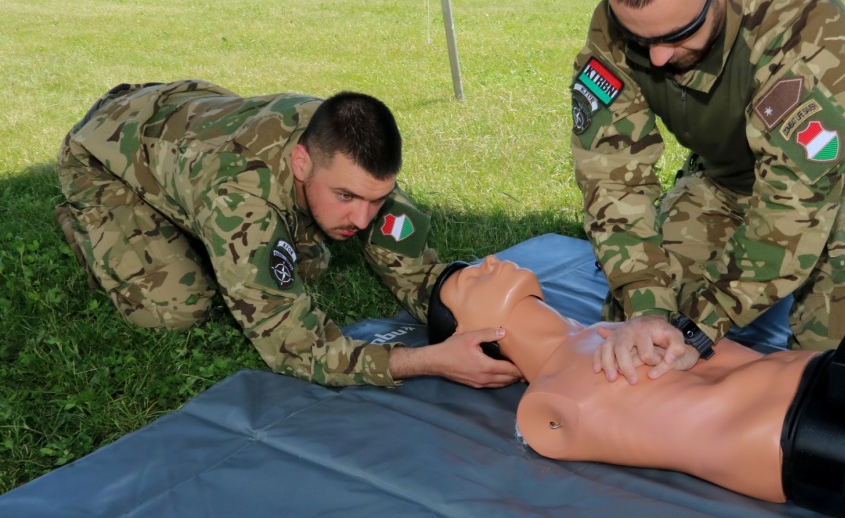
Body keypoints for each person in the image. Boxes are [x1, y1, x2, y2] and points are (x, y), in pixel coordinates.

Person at [570, 0, 845, 384]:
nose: (660, 58)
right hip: (721, 179)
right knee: (640, 334)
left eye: (679, 34)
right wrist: (647, 302)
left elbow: (794, 205)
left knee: (838, 368)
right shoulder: (612, 28)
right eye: (641, 40)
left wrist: (702, 326)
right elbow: (612, 178)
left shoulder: (803, 22)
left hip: (827, 188)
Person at [54, 79, 522, 389]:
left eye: (376, 200)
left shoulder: (344, 147)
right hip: (107, 153)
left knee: (310, 262)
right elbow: (295, 348)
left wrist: (472, 313)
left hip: (188, 120)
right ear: (302, 163)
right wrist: (430, 360)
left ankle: (195, 226)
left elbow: (414, 269)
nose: (363, 220)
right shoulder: (241, 202)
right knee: (173, 308)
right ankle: (91, 227)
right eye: (346, 197)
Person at [428, 256, 845, 518]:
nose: (488, 260)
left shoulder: (598, 329)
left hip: (824, 376)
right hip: (798, 439)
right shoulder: (547, 406)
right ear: (472, 333)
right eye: (470, 280)